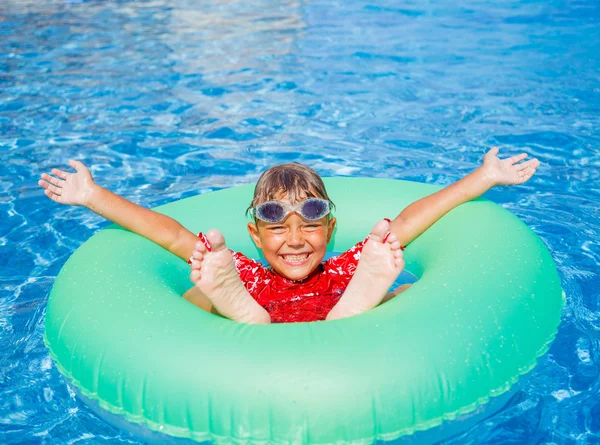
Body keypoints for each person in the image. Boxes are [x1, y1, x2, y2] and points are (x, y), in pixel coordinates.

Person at [38, 147, 539, 324]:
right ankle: (262, 315)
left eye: (310, 224)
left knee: (404, 289)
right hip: (308, 306)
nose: (295, 239)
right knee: (200, 290)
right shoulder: (244, 271)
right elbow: (168, 232)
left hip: (310, 304)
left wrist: (483, 177)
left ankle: (261, 318)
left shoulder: (343, 264)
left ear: (331, 229)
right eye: (278, 227)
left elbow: (408, 221)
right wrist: (92, 194)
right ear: (255, 235)